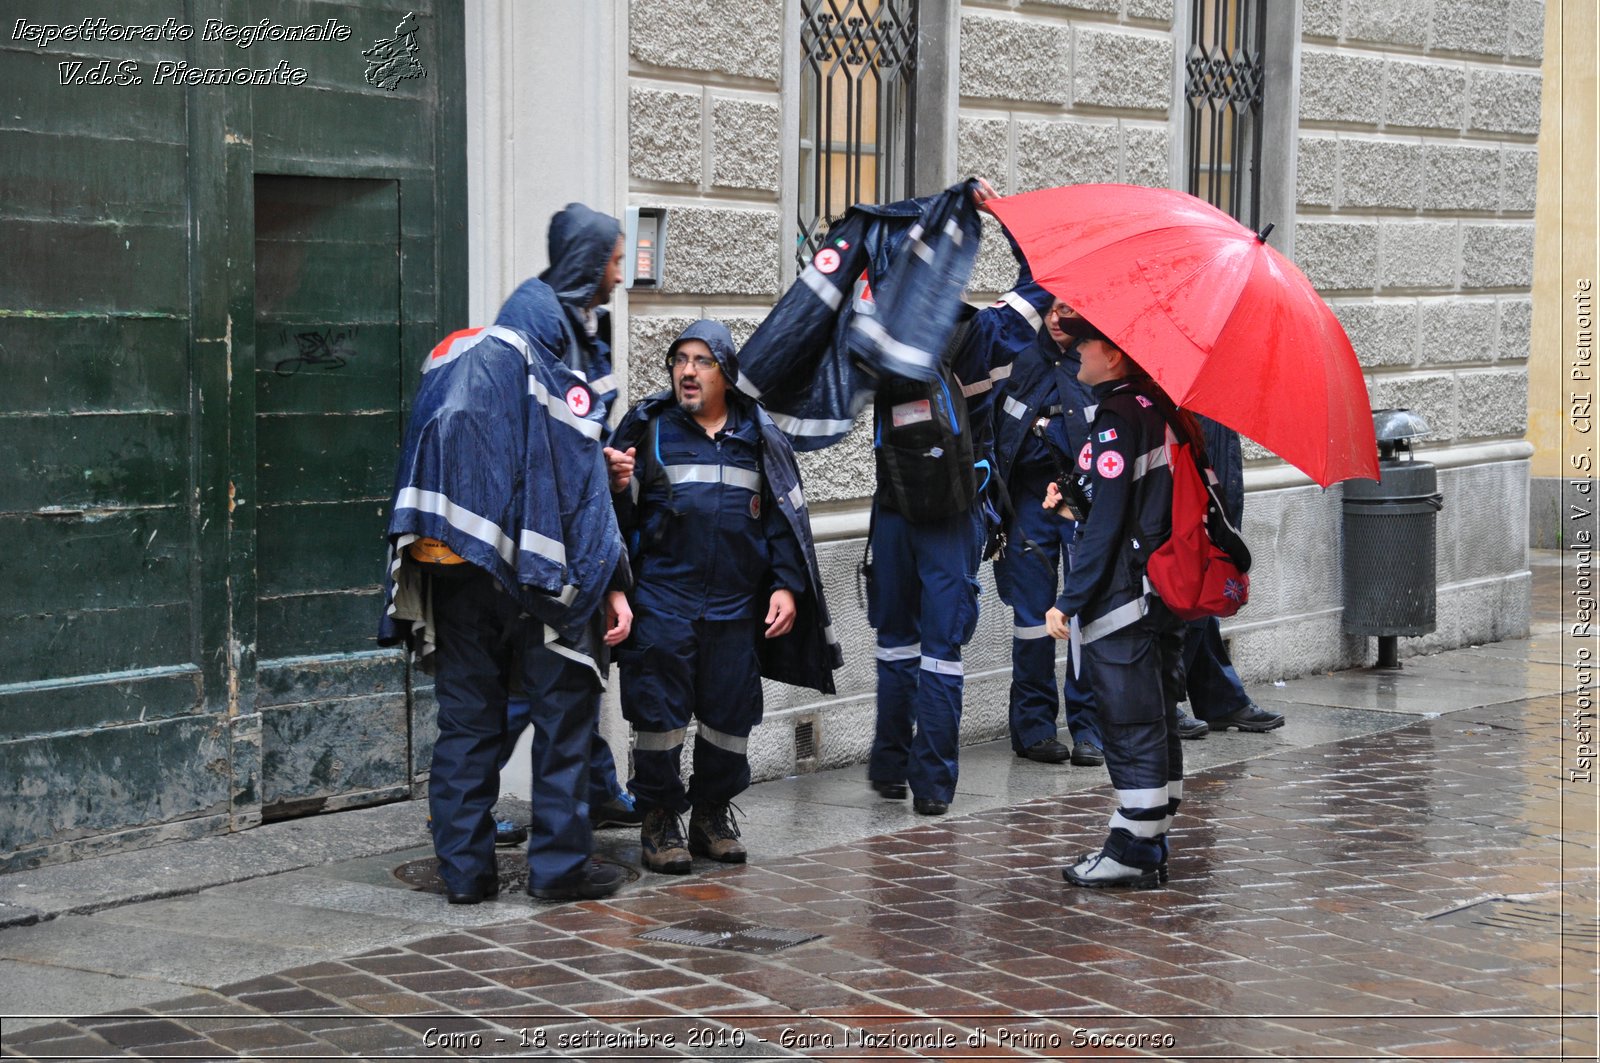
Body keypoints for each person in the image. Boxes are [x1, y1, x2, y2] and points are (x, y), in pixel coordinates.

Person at [379, 285, 633, 904]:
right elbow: (576, 498)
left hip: (456, 582)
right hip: (537, 587)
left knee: (467, 728)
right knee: (562, 722)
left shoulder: (447, 371)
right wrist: (613, 586)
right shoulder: (548, 377)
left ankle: (465, 875)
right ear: (550, 335)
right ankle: (557, 871)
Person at [607, 320, 839, 874]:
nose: (687, 372)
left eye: (701, 361)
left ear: (726, 373)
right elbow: (612, 524)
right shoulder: (650, 429)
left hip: (736, 606)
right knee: (660, 719)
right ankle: (660, 817)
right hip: (664, 601)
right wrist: (615, 489)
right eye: (680, 360)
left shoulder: (757, 437)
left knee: (729, 718)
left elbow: (784, 521)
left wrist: (786, 584)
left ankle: (712, 814)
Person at [865, 180, 1040, 816]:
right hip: (957, 510)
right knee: (942, 650)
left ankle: (887, 765)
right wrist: (1002, 214)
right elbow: (1043, 277)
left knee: (894, 640)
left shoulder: (879, 339)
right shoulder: (987, 332)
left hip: (893, 507)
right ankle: (932, 786)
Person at [489, 204, 643, 841]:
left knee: (573, 675)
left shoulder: (580, 320)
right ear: (587, 260)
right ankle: (466, 811)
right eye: (614, 258)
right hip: (541, 537)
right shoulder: (536, 315)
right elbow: (533, 431)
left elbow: (577, 428)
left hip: (572, 524)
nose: (621, 271)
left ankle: (599, 792)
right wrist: (592, 467)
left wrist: (603, 463)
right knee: (536, 682)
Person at [1044, 319, 1191, 888]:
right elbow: (1130, 501)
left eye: (1085, 340)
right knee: (1156, 714)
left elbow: (1109, 521)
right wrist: (1073, 502)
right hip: (1159, 589)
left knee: (1129, 719)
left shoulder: (1119, 415)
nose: (1075, 347)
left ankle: (1133, 846)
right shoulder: (1160, 405)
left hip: (1123, 596)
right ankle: (1149, 834)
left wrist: (1070, 598)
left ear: (1113, 351)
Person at [990, 298, 1105, 767]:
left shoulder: (1098, 360)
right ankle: (1034, 729)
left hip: (1084, 509)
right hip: (1028, 507)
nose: (1059, 318)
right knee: (1032, 621)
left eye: (1072, 308)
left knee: (1084, 619)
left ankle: (1090, 731)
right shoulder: (1016, 357)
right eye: (1053, 308)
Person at [1176, 416, 1285, 734]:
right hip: (1188, 487)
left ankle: (1220, 699)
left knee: (1205, 596)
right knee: (1192, 600)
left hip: (1210, 442)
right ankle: (1162, 702)